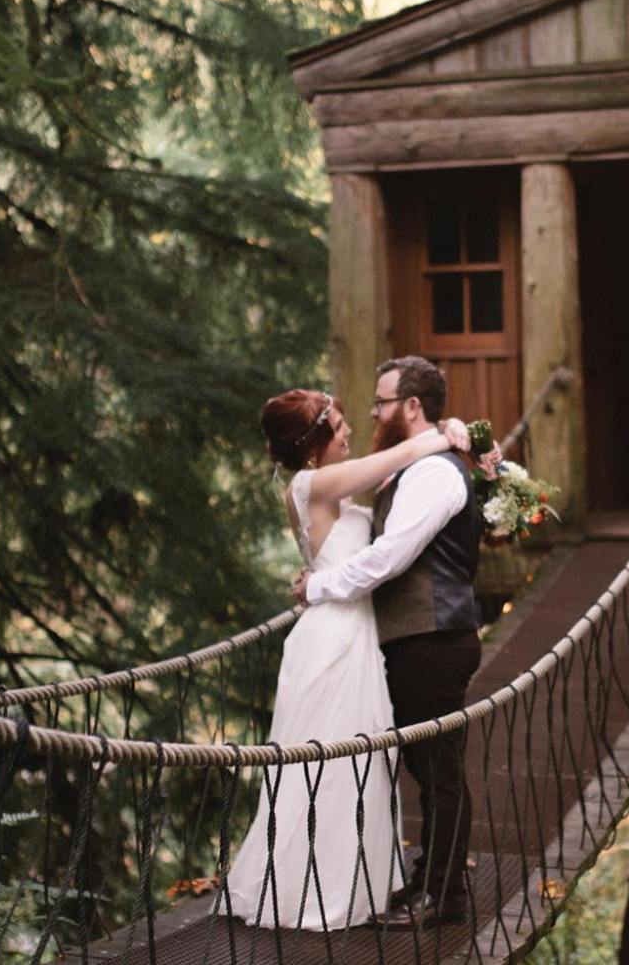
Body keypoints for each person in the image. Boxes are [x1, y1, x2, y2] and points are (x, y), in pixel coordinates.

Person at [218, 387, 472, 930]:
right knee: (331, 763)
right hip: (333, 640)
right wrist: (448, 433)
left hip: (354, 636)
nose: (350, 428)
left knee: (357, 762)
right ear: (315, 443)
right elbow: (402, 456)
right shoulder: (313, 482)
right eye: (338, 424)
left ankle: (347, 883)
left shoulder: (327, 488)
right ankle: (313, 892)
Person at [293, 355, 485, 929]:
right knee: (427, 768)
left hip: (433, 637)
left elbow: (391, 555)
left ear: (410, 407)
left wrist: (318, 586)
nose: (373, 411)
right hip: (413, 638)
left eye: (380, 402)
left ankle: (444, 895)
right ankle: (433, 878)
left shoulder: (432, 472)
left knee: (437, 768)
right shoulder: (415, 465)